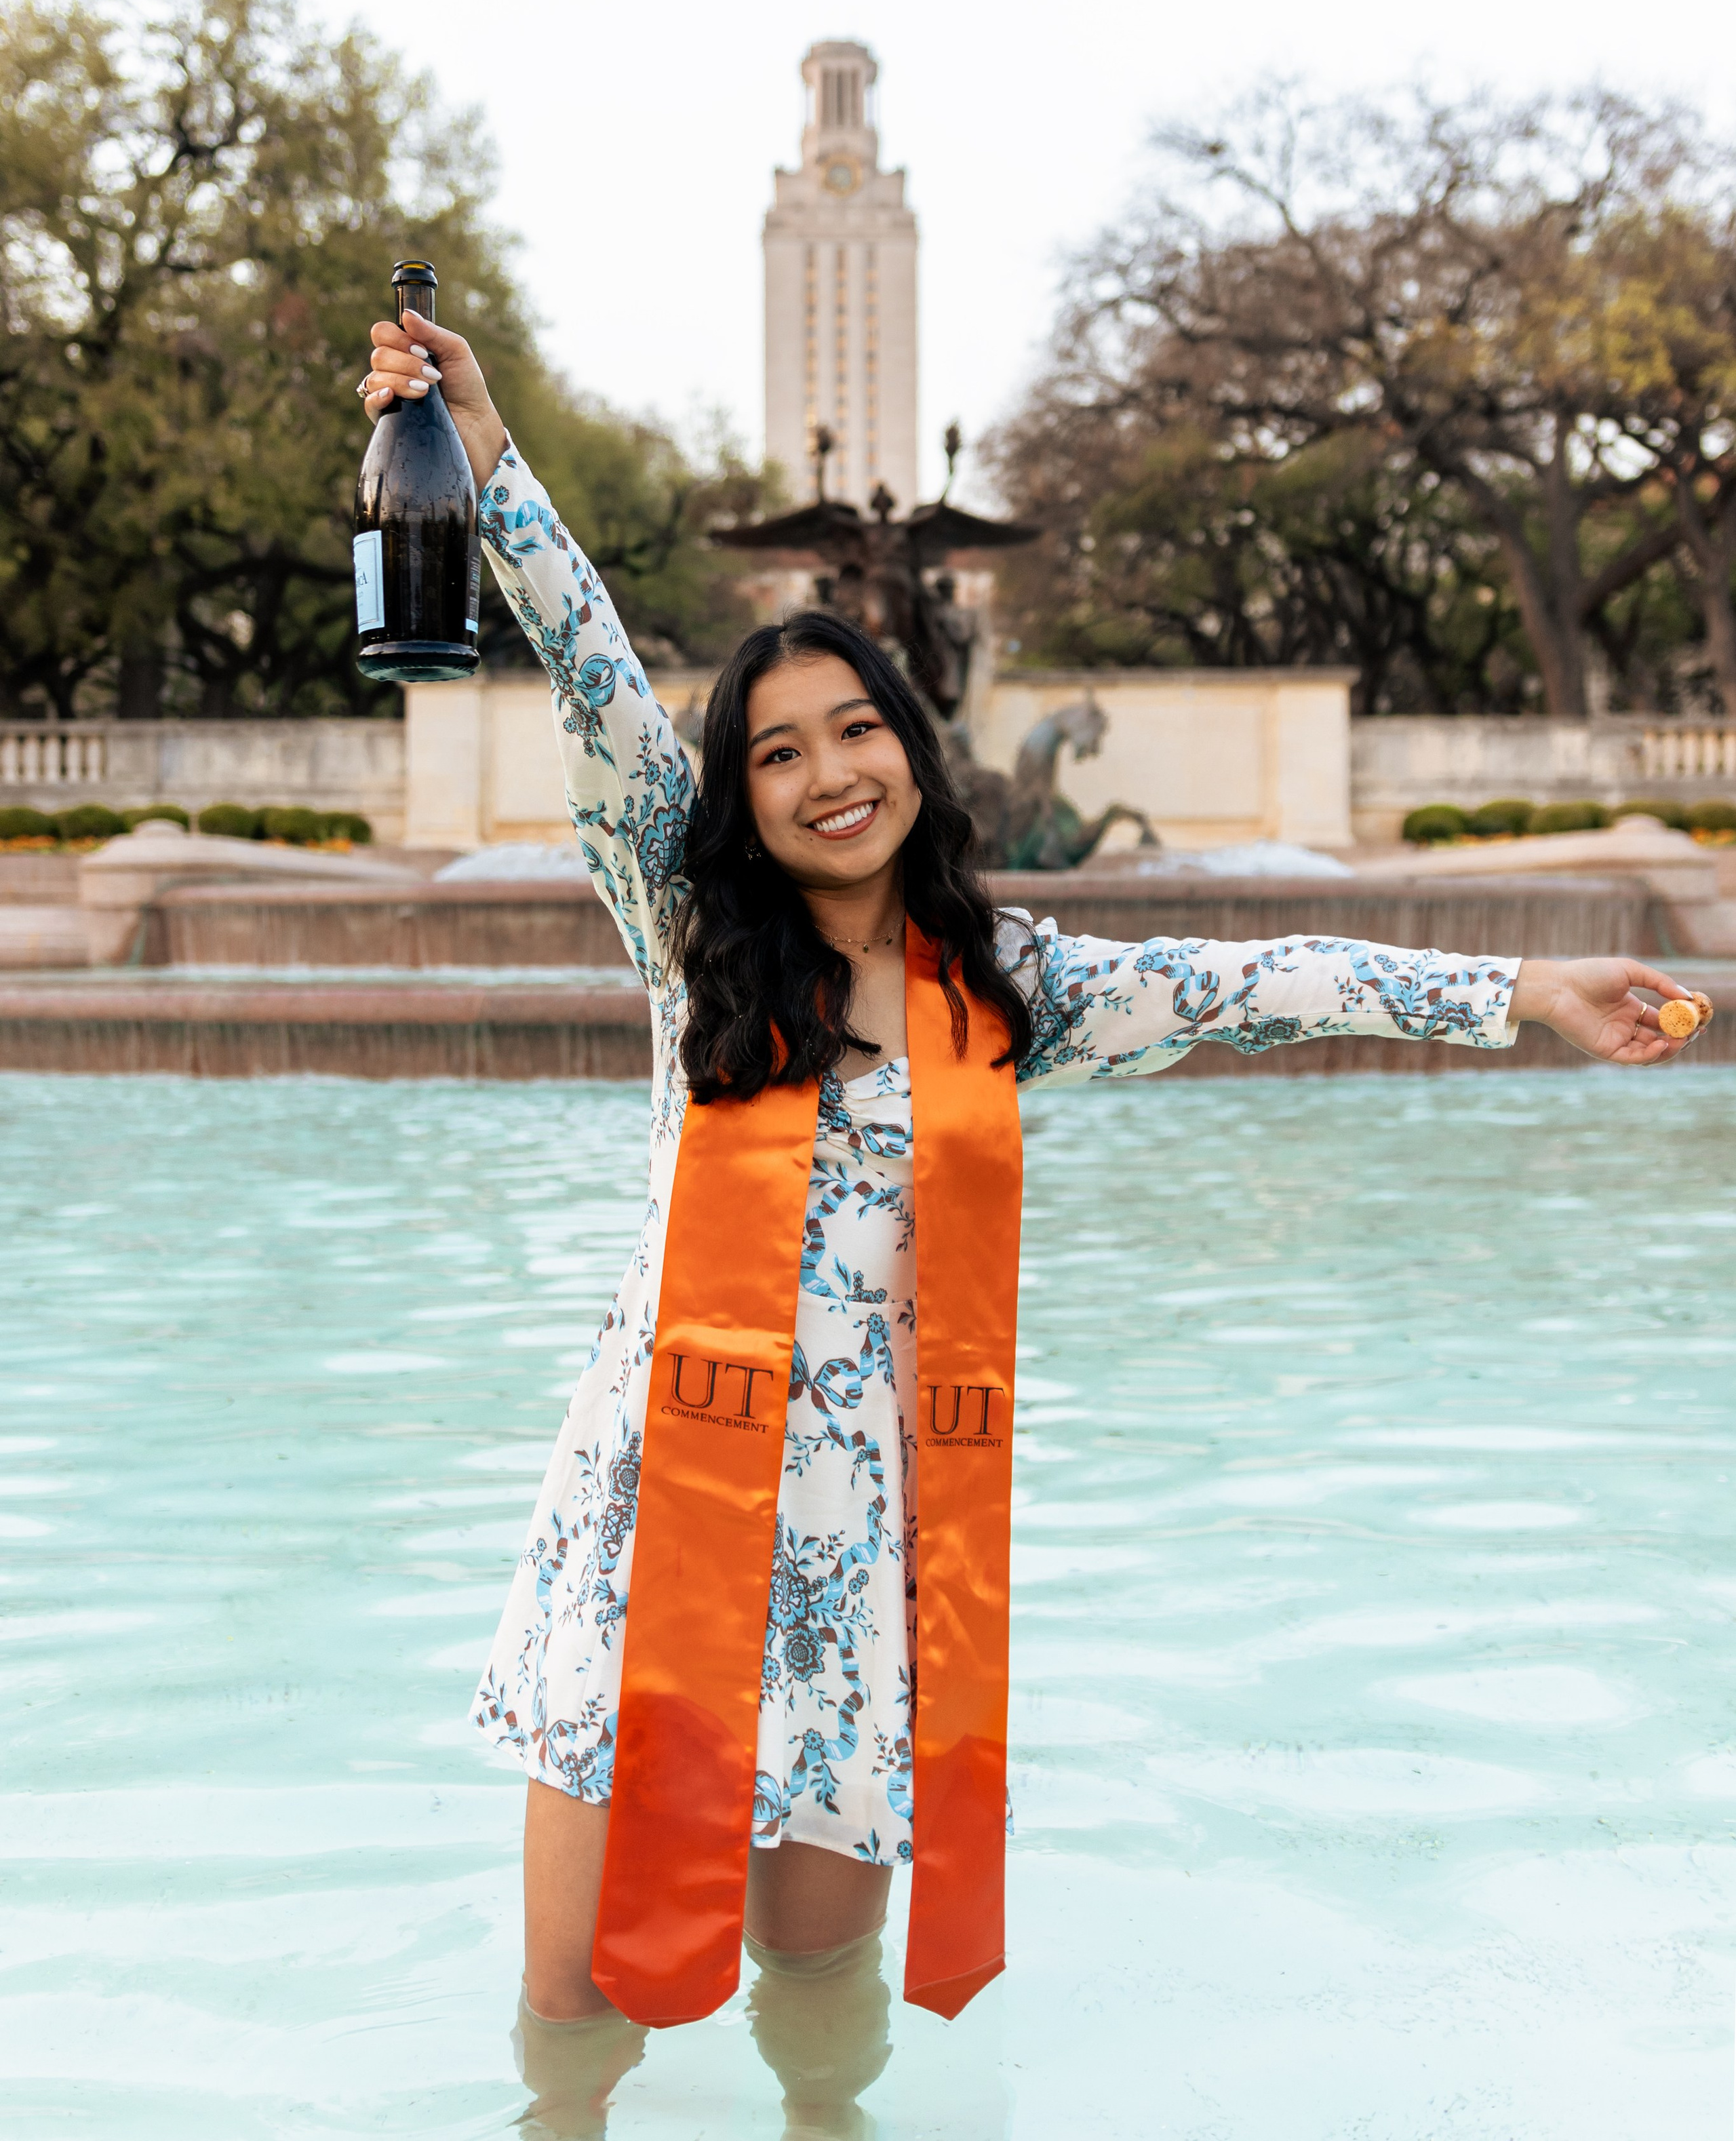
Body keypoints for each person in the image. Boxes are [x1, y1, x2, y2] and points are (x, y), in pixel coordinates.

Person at [360, 309, 1697, 2074]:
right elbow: (591, 666)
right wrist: (489, 458)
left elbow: (1257, 985)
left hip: (853, 1555)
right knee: (575, 2010)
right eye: (779, 753)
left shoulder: (1010, 988)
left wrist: (1522, 991)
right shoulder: (692, 937)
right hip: (646, 1527)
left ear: (914, 751)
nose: (830, 775)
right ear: (738, 798)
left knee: (818, 2021)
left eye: (858, 731)